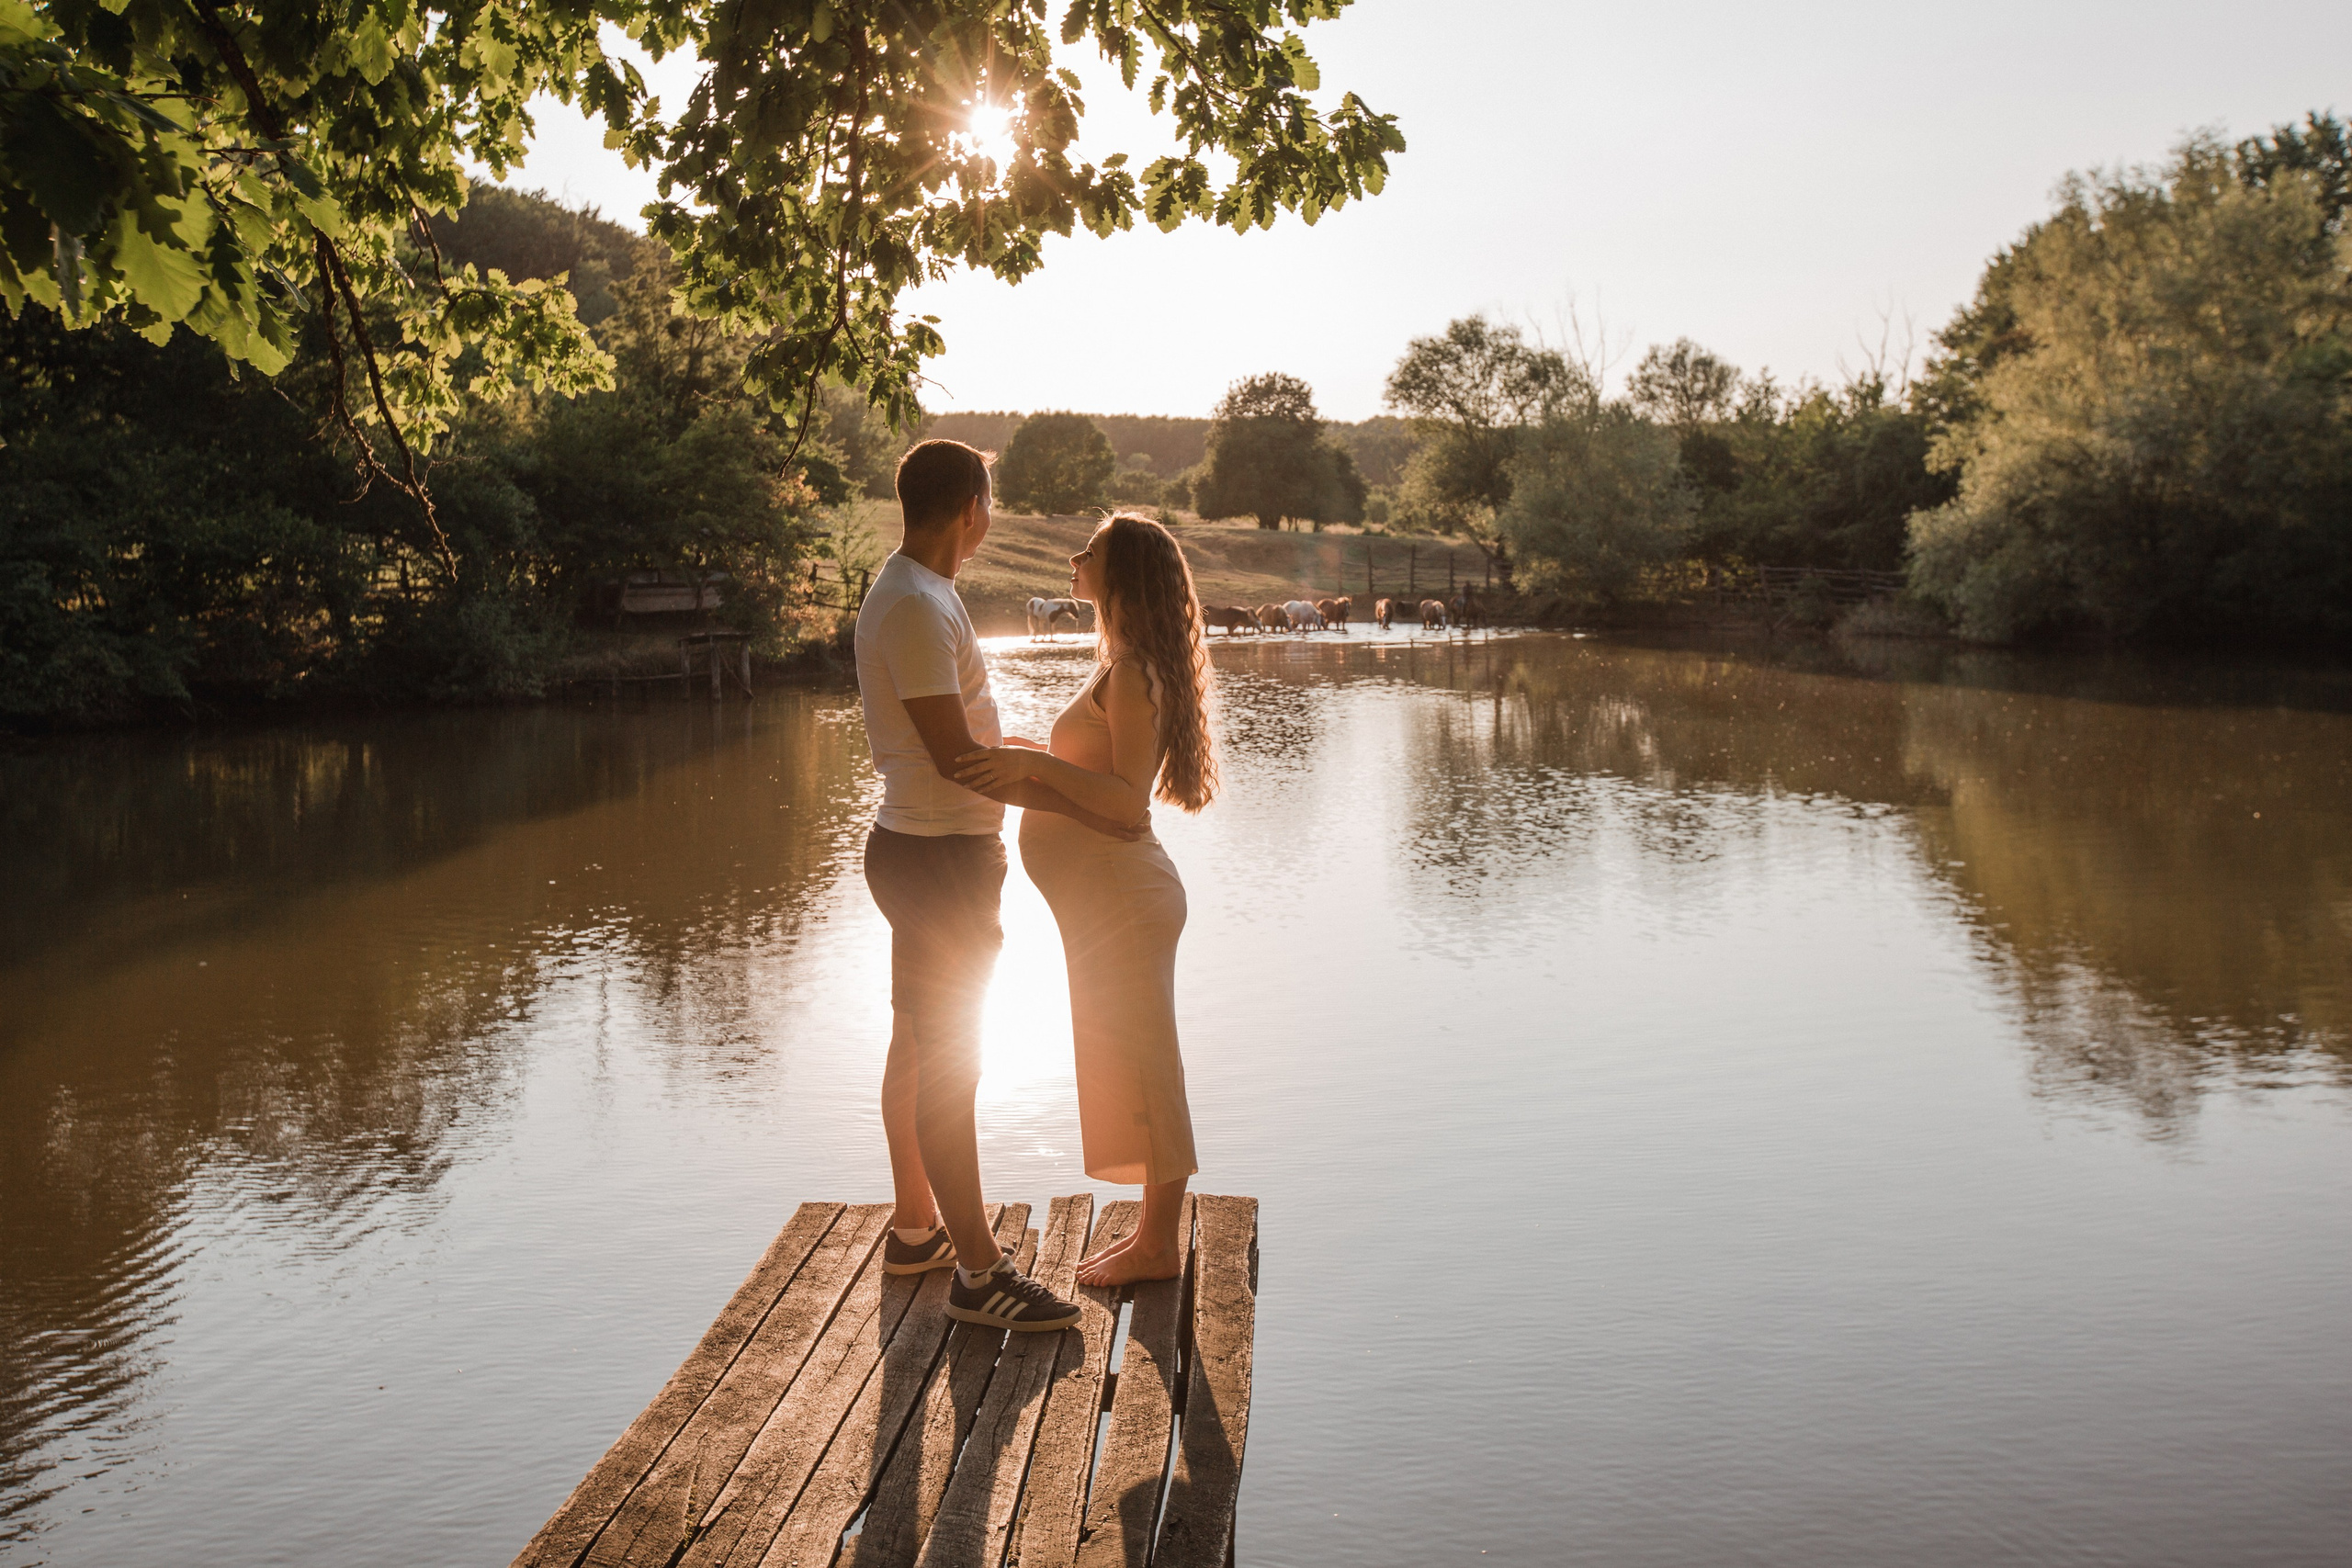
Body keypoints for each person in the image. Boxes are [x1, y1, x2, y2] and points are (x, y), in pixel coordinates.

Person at [856, 440, 1140, 1332]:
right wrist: (1077, 794)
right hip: (936, 860)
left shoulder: (925, 593)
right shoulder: (909, 603)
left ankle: (915, 1232)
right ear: (971, 508)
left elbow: (968, 732)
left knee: (918, 1043)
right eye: (993, 500)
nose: (994, 515)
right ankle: (976, 1275)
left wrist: (1035, 760)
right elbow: (953, 759)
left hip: (936, 853)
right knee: (950, 1064)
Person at [954, 513, 1216, 1286]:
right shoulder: (1121, 666)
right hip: (1113, 901)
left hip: (1128, 899)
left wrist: (1030, 772)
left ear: (1121, 577)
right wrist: (1034, 760)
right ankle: (1151, 1233)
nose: (1074, 558)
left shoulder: (1133, 674)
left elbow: (1128, 801)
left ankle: (1158, 1245)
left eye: (1090, 552)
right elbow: (1093, 774)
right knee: (1133, 1061)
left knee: (1150, 1066)